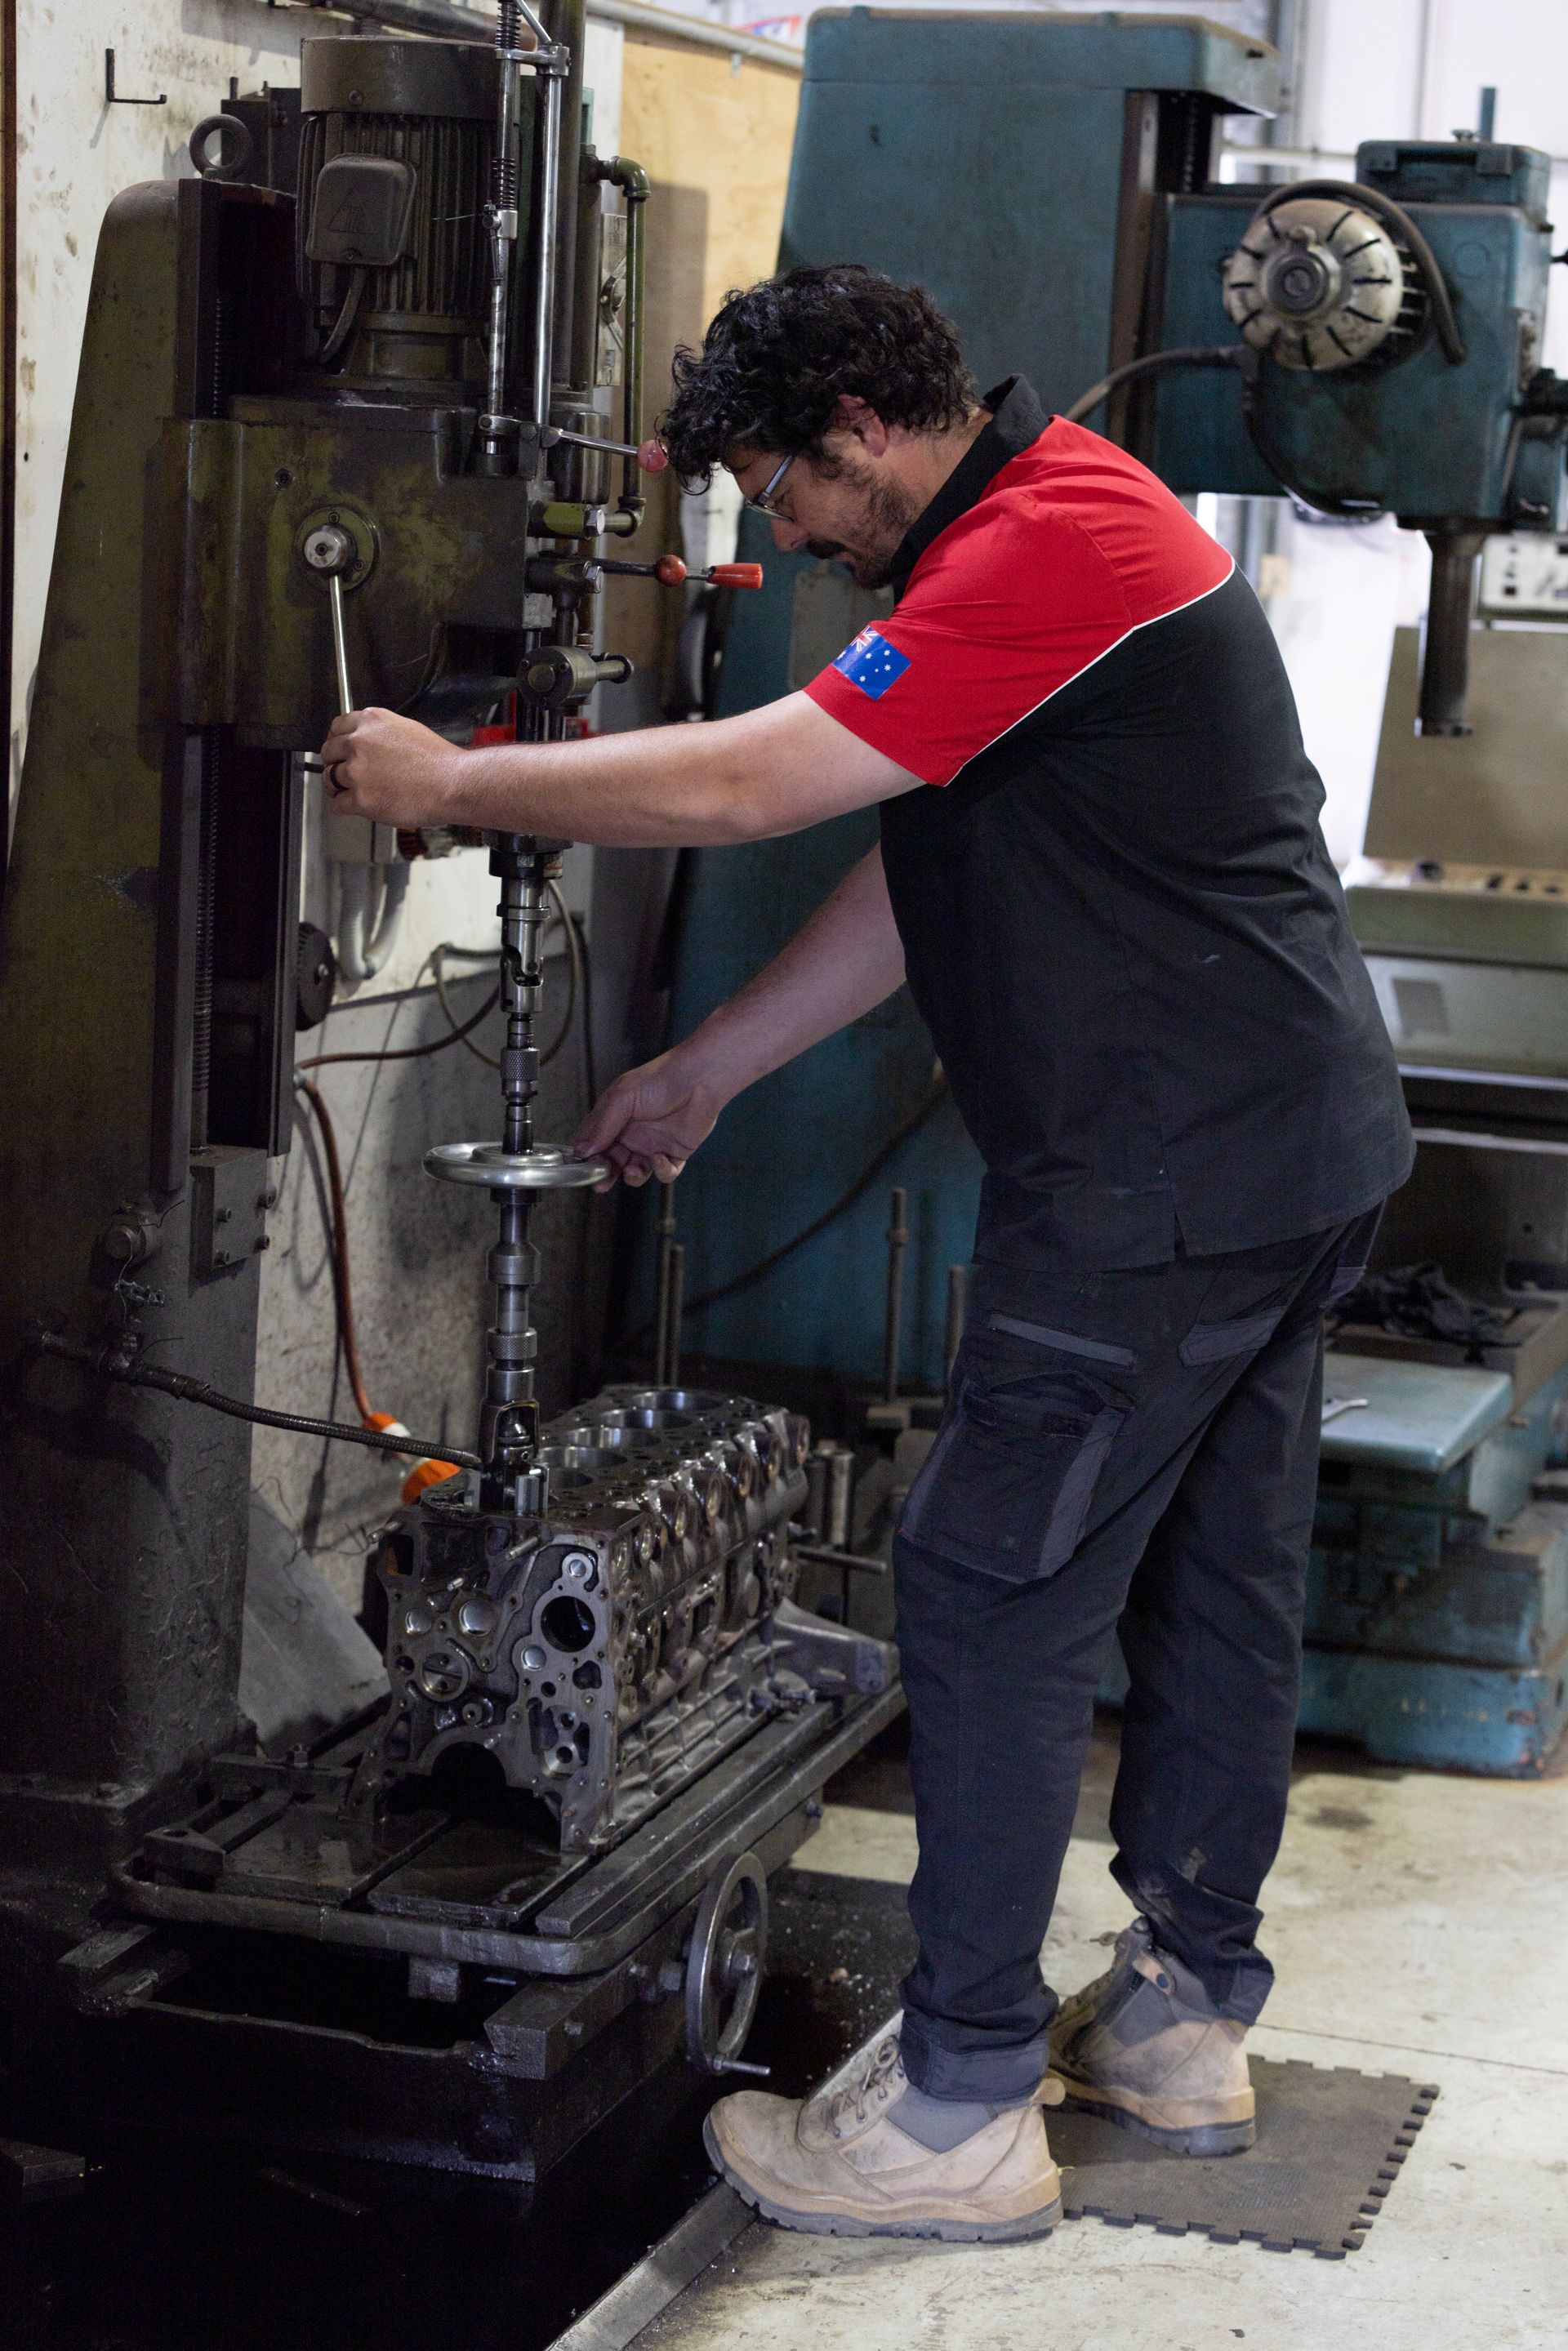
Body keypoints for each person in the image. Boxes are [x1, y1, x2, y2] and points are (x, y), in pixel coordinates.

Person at [322, 265, 1412, 2244]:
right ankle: (1179, 2021)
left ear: (868, 432)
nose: (779, 536)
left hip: (1158, 1183)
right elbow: (926, 869)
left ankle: (963, 2105)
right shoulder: (1035, 530)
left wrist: (454, 783)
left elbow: (749, 783)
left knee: (989, 1582)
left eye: (782, 491)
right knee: (1217, 1579)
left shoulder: (1047, 546)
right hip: (1282, 1148)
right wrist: (710, 1068)